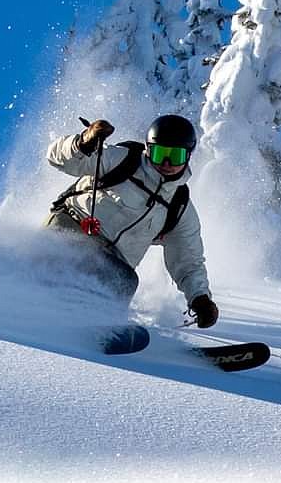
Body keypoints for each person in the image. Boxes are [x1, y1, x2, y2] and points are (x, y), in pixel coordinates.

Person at [44, 114, 219, 328]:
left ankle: (96, 328)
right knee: (107, 275)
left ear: (188, 156)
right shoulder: (122, 160)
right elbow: (57, 158)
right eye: (159, 153)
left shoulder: (179, 206)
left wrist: (199, 299)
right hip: (70, 228)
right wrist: (84, 142)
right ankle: (34, 292)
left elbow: (188, 261)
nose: (166, 163)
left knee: (124, 282)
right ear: (148, 149)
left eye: (175, 156)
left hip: (109, 261)